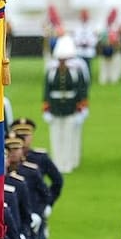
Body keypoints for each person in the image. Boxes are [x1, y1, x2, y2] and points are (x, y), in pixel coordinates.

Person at [43, 35, 90, 174]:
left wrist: (81, 109)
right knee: (56, 137)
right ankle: (57, 163)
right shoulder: (51, 71)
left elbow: (81, 91)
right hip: (55, 108)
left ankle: (68, 163)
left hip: (71, 108)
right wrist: (46, 109)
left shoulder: (76, 71)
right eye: (60, 60)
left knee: (69, 137)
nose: (62, 62)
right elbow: (46, 91)